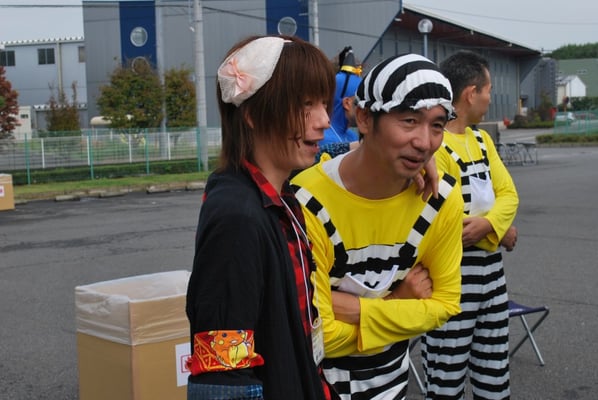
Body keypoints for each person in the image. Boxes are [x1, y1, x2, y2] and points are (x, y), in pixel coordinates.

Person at [291, 53, 464, 400]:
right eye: (409, 121)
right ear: (365, 118)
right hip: (314, 387)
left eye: (437, 125)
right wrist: (399, 301)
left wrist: (355, 309)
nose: (425, 142)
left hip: (393, 387)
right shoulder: (306, 201)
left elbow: (445, 305)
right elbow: (314, 334)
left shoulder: (440, 198)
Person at [185, 35, 336, 400]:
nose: (324, 121)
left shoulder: (278, 197)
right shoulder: (236, 217)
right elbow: (223, 373)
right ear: (252, 114)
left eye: (324, 103)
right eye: (305, 105)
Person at [421, 50, 519, 400]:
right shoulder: (436, 146)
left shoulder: (482, 140)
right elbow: (449, 220)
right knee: (446, 376)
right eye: (488, 90)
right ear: (470, 93)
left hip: (492, 278)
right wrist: (500, 230)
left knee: (495, 370)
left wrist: (489, 225)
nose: (490, 98)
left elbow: (509, 195)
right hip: (451, 280)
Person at [320, 46, 362, 146]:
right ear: (347, 103)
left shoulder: (352, 136)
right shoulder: (322, 138)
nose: (365, 107)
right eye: (360, 101)